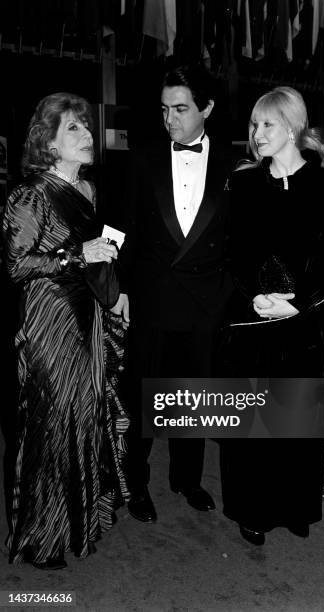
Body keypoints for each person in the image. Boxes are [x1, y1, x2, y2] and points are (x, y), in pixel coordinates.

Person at [2, 92, 129, 569]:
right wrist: (76, 256)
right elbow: (16, 265)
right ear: (48, 141)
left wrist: (114, 292)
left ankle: (76, 523)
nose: (87, 136)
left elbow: (100, 253)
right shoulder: (28, 195)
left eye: (87, 127)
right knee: (51, 423)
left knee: (84, 416)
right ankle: (41, 536)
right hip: (47, 319)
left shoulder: (90, 191)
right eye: (74, 128)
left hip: (87, 317)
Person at [219, 86, 324, 545]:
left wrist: (297, 300)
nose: (256, 134)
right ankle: (251, 510)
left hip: (305, 317)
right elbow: (234, 251)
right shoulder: (245, 182)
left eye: (266, 124)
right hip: (254, 318)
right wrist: (256, 295)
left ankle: (296, 505)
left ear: (292, 126)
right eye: (254, 126)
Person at [114, 65, 234, 523]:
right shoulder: (141, 159)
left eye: (181, 109)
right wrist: (116, 287)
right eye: (164, 110)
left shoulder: (232, 165)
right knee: (144, 399)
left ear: (206, 109)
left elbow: (238, 239)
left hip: (206, 302)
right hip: (152, 298)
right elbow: (119, 229)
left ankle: (187, 479)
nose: (170, 119)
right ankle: (136, 483)